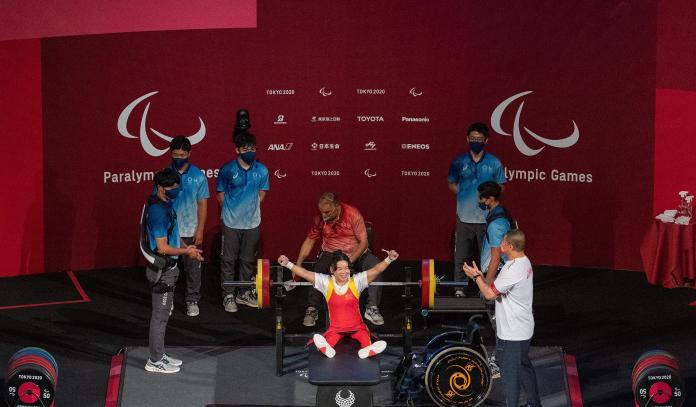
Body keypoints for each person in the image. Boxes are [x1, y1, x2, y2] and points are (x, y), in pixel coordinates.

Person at [463, 230, 542, 407]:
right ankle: (534, 404)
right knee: (524, 367)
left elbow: (490, 294)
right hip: (522, 328)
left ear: (511, 246)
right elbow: (496, 287)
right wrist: (481, 277)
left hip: (512, 334)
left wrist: (476, 277)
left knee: (510, 377)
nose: (501, 245)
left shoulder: (512, 269)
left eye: (504, 243)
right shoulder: (523, 261)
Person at [278, 249, 399, 358]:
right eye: (340, 269)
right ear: (332, 270)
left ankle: (368, 350)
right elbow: (304, 273)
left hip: (357, 327)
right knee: (330, 339)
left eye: (346, 268)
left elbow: (376, 270)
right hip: (335, 329)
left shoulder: (357, 281)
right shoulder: (325, 282)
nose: (345, 272)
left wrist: (389, 259)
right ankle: (325, 348)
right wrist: (287, 263)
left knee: (365, 338)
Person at [144, 168, 204, 373]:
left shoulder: (165, 204)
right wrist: (185, 251)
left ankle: (159, 353)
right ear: (161, 188)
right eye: (172, 187)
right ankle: (154, 361)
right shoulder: (158, 212)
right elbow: (162, 247)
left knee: (164, 315)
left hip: (170, 267)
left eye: (178, 186)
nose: (176, 190)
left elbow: (173, 234)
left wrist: (188, 250)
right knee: (159, 317)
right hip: (162, 270)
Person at [294, 193, 384, 327]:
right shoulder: (319, 219)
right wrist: (299, 265)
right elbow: (309, 241)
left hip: (357, 254)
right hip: (331, 254)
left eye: (327, 212)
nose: (324, 215)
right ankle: (312, 309)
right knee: (319, 269)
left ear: (336, 206)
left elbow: (364, 242)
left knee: (375, 265)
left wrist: (349, 261)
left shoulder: (352, 214)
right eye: (322, 212)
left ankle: (372, 308)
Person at [448, 122, 506, 296]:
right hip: (464, 218)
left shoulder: (494, 162)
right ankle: (459, 288)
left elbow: (501, 186)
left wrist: (490, 197)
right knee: (461, 256)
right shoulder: (458, 162)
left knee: (488, 258)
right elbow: (451, 183)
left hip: (486, 219)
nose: (475, 141)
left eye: (479, 139)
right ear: (467, 139)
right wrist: (464, 194)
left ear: (486, 140)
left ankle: (487, 288)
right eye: (473, 138)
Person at [217, 131, 269, 312]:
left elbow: (262, 194)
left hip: (252, 224)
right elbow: (221, 195)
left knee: (248, 260)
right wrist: (234, 211)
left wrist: (249, 209)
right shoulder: (227, 169)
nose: (250, 151)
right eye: (245, 148)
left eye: (252, 148)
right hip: (231, 223)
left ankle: (244, 293)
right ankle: (228, 295)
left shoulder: (262, 170)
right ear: (237, 150)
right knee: (228, 260)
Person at [168, 136, 209, 317]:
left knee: (193, 269)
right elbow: (158, 203)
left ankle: (192, 300)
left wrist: (199, 229)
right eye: (175, 154)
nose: (179, 157)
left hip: (191, 230)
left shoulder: (198, 176)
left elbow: (202, 204)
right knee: (169, 270)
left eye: (182, 154)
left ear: (189, 154)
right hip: (169, 233)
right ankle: (167, 300)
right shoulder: (165, 175)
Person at [478, 181, 512, 284]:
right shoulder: (501, 212)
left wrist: (487, 284)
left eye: (481, 198)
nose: (479, 201)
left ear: (490, 199)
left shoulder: (496, 225)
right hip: (500, 272)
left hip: (497, 274)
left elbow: (496, 257)